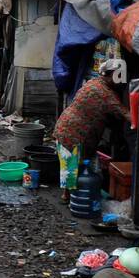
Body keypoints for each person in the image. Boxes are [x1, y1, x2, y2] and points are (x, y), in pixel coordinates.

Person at [53, 60, 130, 195]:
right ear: (110, 75)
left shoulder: (93, 82)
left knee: (73, 166)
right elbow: (126, 114)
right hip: (74, 133)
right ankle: (72, 198)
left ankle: (71, 196)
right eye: (119, 76)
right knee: (72, 168)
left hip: (65, 127)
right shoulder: (106, 94)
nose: (121, 81)